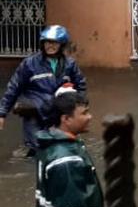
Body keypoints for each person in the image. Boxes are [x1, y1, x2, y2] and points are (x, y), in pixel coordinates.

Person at [0, 25, 88, 158]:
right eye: (47, 42)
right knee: (37, 152)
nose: (49, 46)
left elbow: (80, 86)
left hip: (56, 116)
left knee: (59, 150)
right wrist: (2, 113)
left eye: (54, 42)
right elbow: (14, 88)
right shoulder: (29, 64)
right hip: (34, 115)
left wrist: (78, 109)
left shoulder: (70, 65)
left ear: (62, 44)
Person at [35, 90, 104, 207]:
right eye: (84, 113)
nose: (90, 117)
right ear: (66, 119)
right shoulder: (65, 160)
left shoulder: (51, 144)